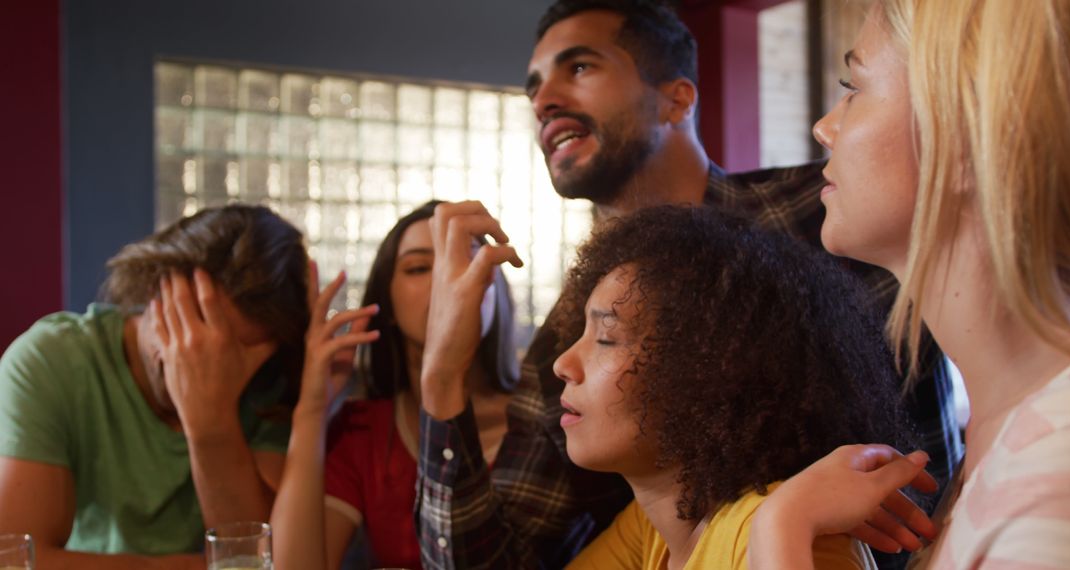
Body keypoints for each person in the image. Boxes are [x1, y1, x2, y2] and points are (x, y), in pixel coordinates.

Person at [415, 0, 961, 568]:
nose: (544, 100)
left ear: (677, 98)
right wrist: (441, 375)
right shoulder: (567, 342)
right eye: (533, 88)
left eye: (579, 68)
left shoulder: (832, 212)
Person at [745, 1, 1070, 568]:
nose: (825, 128)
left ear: (972, 134)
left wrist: (777, 532)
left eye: (855, 87)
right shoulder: (1013, 435)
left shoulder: (1057, 484)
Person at [552, 205, 910, 569]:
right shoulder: (656, 524)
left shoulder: (801, 538)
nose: (562, 364)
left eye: (607, 338)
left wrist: (783, 523)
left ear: (708, 370)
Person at [0, 205, 311, 569]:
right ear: (154, 288)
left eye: (230, 352)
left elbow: (260, 558)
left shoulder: (270, 389)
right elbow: (16, 560)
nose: (195, 355)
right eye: (190, 323)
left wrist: (209, 417)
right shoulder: (54, 359)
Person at [270, 201, 520, 570]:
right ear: (386, 303)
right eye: (419, 268)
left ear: (495, 292)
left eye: (466, 260)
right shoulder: (362, 432)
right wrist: (311, 411)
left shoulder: (549, 419)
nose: (444, 280)